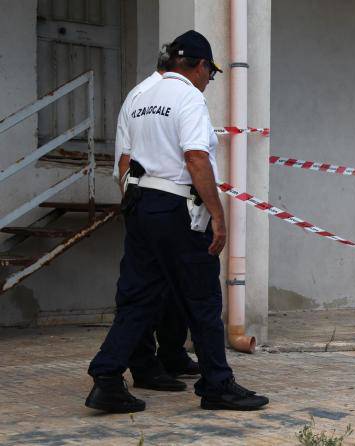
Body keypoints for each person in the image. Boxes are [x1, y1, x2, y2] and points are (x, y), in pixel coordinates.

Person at [85, 30, 268, 413]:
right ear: (200, 66)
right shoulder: (188, 97)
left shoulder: (138, 96)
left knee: (139, 297)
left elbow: (123, 159)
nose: (208, 80)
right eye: (211, 73)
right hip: (176, 209)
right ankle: (217, 385)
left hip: (139, 202)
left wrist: (133, 207)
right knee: (202, 298)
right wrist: (218, 216)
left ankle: (106, 377)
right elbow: (196, 158)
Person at [114, 44, 200, 394]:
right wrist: (135, 209)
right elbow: (125, 159)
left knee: (173, 287)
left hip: (166, 206)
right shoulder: (143, 96)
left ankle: (172, 352)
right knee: (144, 291)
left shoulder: (166, 93)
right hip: (153, 204)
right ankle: (143, 363)